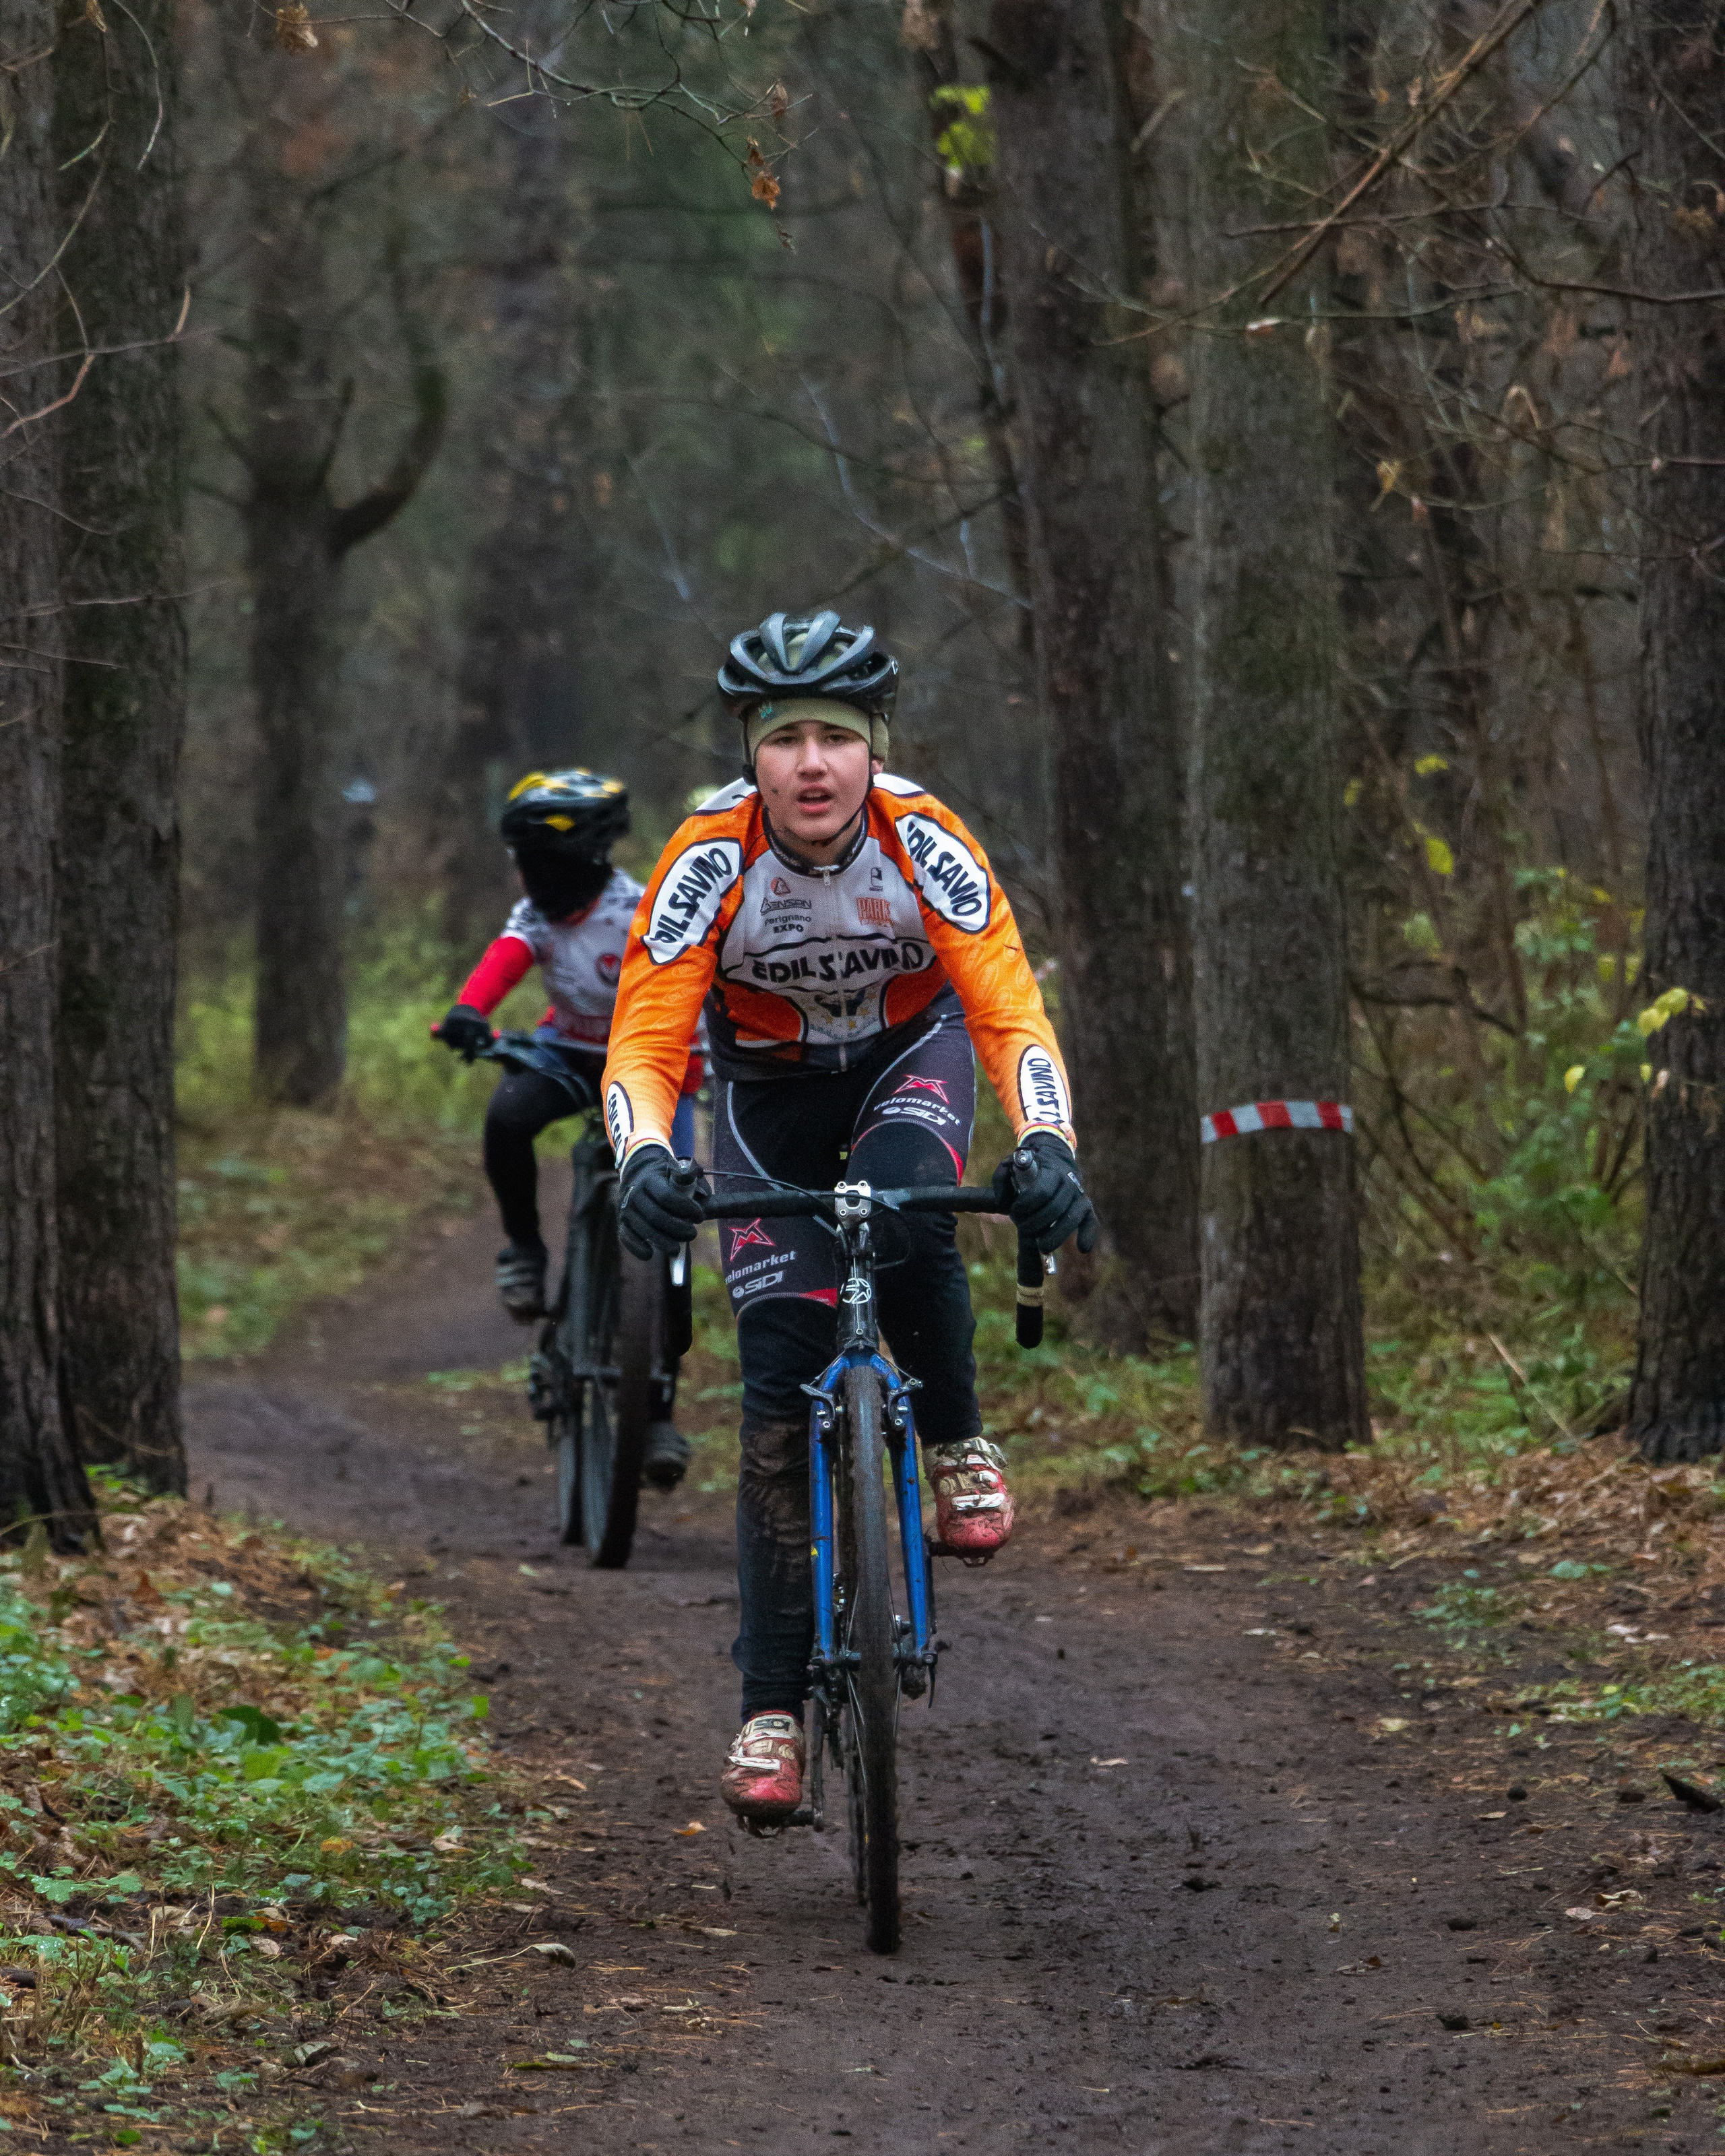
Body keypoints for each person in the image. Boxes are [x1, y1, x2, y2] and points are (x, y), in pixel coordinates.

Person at [600, 610, 1097, 1825]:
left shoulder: (927, 841)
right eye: (785, 740)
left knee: (913, 1210)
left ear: (876, 746)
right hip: (765, 1096)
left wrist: (1046, 1143)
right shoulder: (706, 859)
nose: (812, 765)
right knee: (778, 1383)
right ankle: (770, 1708)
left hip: (904, 1060)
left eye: (837, 737)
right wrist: (645, 1158)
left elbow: (1009, 1013)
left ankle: (955, 1440)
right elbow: (646, 1043)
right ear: (752, 755)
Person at [433, 767, 700, 1490]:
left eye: (536, 862)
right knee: (507, 1115)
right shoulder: (537, 915)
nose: (525, 876)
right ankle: (525, 1249)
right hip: (569, 1055)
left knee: (670, 1231)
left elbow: (691, 994)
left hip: (654, 1072)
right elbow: (506, 958)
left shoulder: (640, 913)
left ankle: (657, 1411)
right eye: (521, 862)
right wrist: (469, 1011)